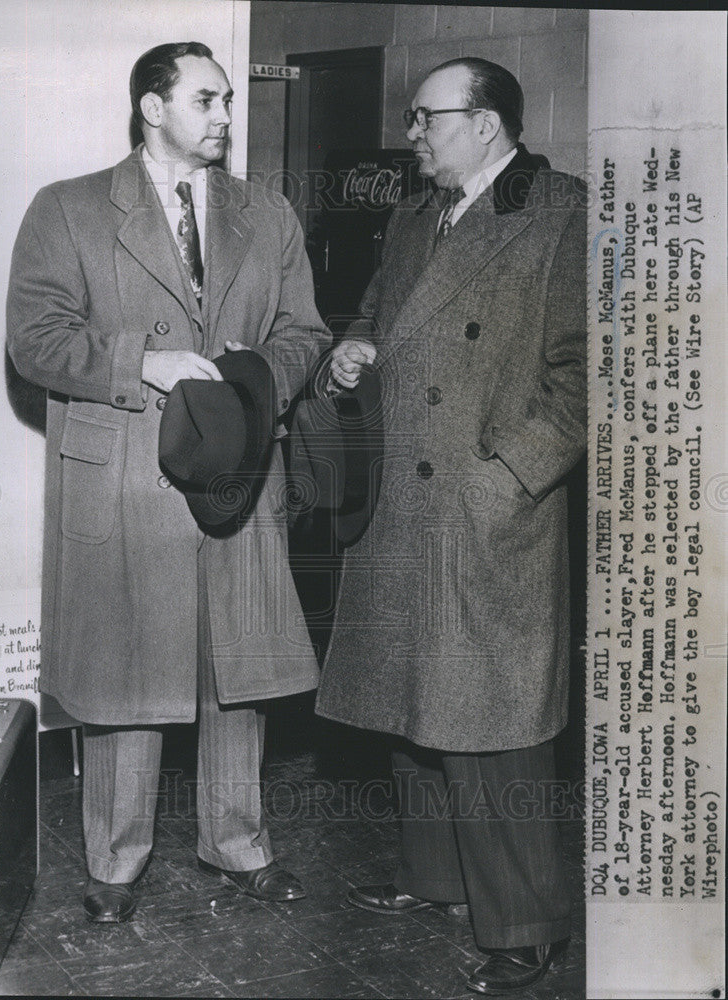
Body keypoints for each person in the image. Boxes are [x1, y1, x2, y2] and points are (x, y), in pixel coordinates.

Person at [7, 41, 332, 923]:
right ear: (153, 109)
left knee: (238, 669)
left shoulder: (268, 214)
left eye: (227, 99)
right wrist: (143, 363)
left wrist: (253, 374)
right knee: (126, 677)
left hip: (236, 472)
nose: (227, 115)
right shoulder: (68, 209)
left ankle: (238, 843)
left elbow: (308, 330)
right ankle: (115, 864)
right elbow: (34, 341)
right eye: (207, 100)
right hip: (122, 481)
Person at [316, 57, 586, 995]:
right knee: (412, 707)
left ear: (487, 122)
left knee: (494, 720)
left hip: (485, 507)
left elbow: (593, 372)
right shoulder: (413, 216)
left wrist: (509, 475)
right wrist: (356, 346)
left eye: (428, 119)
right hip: (404, 499)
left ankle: (525, 923)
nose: (414, 136)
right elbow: (384, 314)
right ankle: (437, 881)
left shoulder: (560, 214)